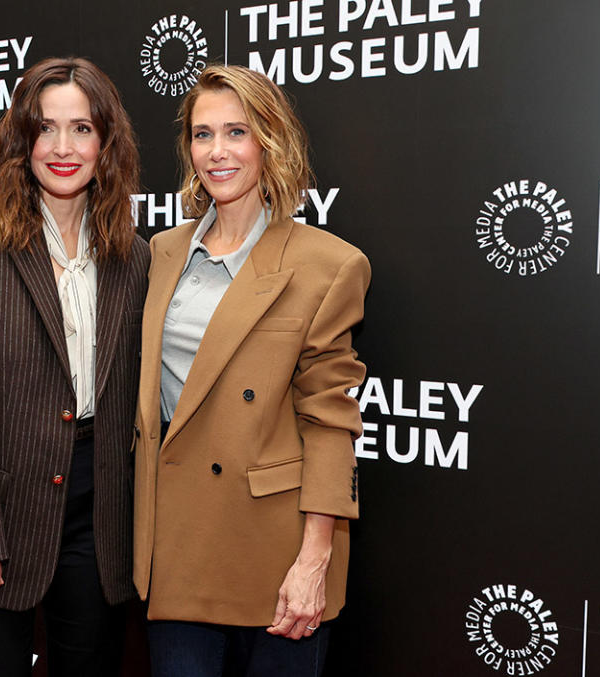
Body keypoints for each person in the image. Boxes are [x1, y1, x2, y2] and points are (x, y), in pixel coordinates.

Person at [0, 57, 148, 677]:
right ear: (22, 140)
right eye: (45, 129)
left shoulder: (135, 256)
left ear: (107, 142)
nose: (63, 148)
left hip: (100, 516)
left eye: (82, 129)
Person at [133, 64, 370, 677]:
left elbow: (330, 422)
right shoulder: (161, 252)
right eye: (202, 134)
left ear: (270, 141)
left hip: (276, 548)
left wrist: (313, 561)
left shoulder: (328, 264)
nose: (217, 152)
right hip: (177, 544)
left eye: (236, 132)